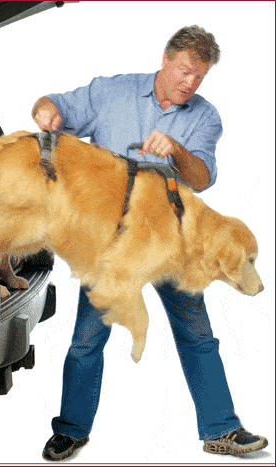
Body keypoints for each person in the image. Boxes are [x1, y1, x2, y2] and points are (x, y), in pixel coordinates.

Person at [32, 25, 268, 461]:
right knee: (87, 339)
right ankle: (71, 430)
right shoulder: (111, 92)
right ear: (165, 59)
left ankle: (221, 429)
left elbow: (202, 178)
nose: (190, 83)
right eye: (184, 71)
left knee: (197, 336)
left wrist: (176, 149)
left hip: (170, 240)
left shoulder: (204, 115)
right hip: (112, 242)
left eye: (199, 76)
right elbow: (57, 107)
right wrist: (46, 112)